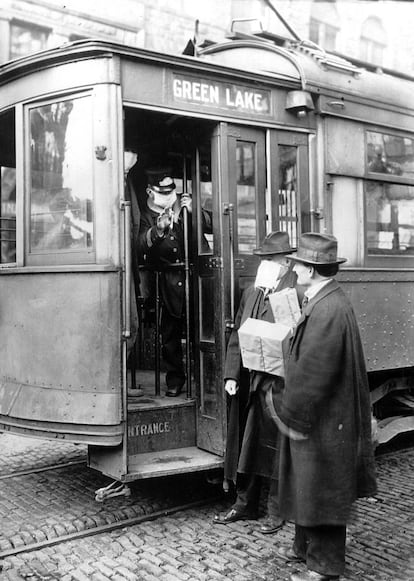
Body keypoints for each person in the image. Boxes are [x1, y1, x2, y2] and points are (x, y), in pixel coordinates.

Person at [273, 232, 377, 581]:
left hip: (322, 419)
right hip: (324, 417)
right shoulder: (326, 299)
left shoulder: (327, 307)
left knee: (323, 490)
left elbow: (315, 370)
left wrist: (290, 411)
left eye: (298, 263)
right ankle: (305, 549)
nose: (294, 267)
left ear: (312, 269)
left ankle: (323, 567)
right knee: (312, 484)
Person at [213, 231, 297, 534]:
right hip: (250, 382)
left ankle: (278, 509)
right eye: (263, 259)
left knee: (277, 446)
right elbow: (237, 333)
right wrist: (231, 374)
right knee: (248, 443)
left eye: (270, 259)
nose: (264, 264)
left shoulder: (294, 293)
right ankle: (245, 503)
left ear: (286, 263)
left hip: (279, 383)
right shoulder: (251, 292)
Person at [137, 167, 211, 396]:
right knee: (170, 335)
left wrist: (193, 211)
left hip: (195, 279)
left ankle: (206, 378)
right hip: (167, 282)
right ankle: (175, 380)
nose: (169, 194)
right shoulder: (145, 215)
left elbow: (210, 225)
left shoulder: (183, 205)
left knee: (202, 330)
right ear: (150, 191)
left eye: (172, 190)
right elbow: (139, 246)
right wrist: (157, 230)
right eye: (163, 191)